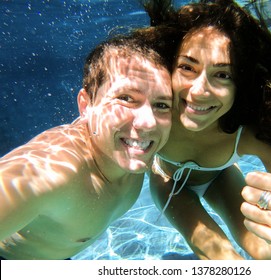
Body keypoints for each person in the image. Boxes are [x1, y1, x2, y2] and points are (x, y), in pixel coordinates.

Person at [139, 0, 271, 259]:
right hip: (168, 182)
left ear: (241, 84)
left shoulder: (248, 134)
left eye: (223, 75)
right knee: (226, 261)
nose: (199, 91)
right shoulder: (155, 112)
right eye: (187, 67)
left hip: (219, 178)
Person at [0, 33, 173, 259]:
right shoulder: (51, 173)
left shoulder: (145, 148)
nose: (149, 122)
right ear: (86, 105)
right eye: (126, 98)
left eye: (161, 104)